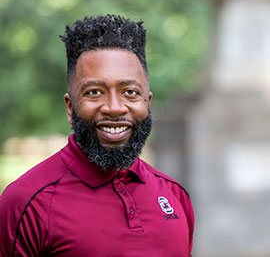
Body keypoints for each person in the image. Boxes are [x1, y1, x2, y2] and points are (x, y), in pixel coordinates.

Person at [0, 15, 194, 257]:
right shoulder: (26, 203)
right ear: (70, 107)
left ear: (148, 102)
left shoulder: (175, 195)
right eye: (94, 92)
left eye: (130, 92)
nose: (114, 107)